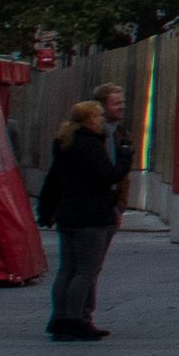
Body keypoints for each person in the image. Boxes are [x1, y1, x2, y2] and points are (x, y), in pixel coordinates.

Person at [36, 102, 122, 342]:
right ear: (90, 119)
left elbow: (53, 180)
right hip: (91, 216)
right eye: (99, 116)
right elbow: (108, 176)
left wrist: (46, 209)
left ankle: (60, 318)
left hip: (68, 215)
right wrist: (124, 160)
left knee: (66, 269)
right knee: (86, 272)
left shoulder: (64, 143)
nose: (102, 119)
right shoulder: (90, 144)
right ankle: (76, 320)